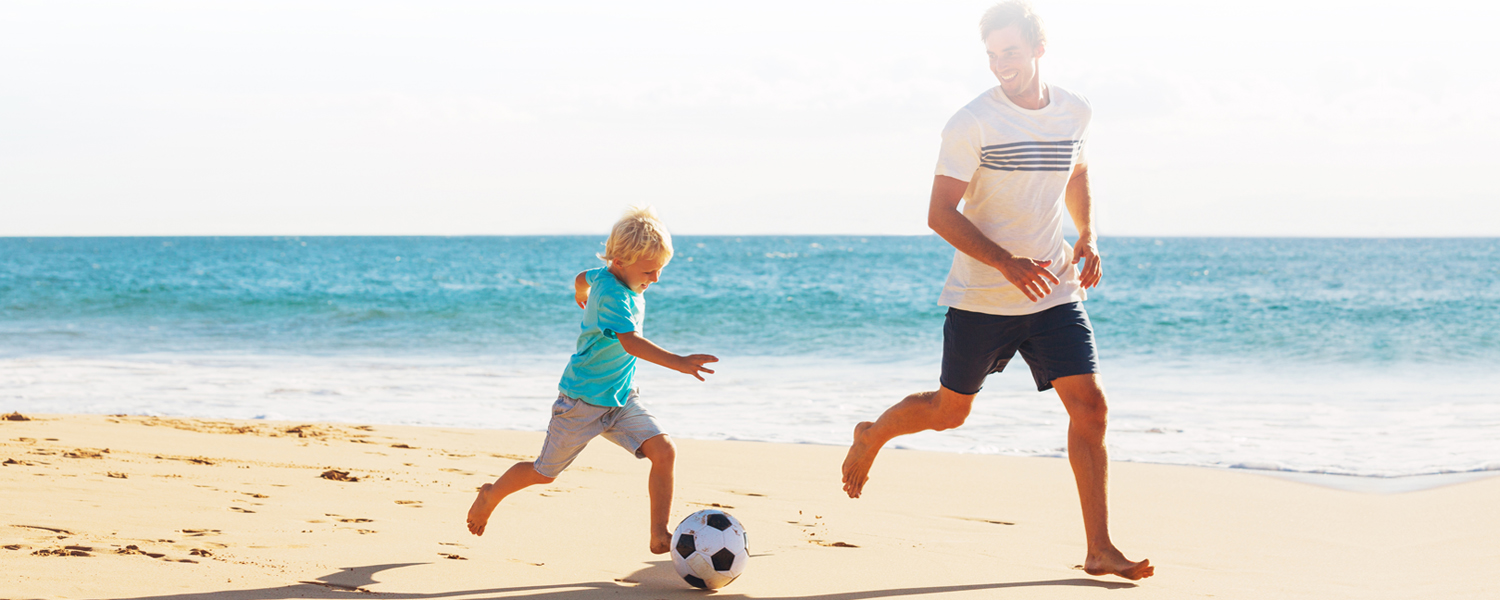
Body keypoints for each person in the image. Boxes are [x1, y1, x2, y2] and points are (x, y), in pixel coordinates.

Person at [839, 1, 1153, 580]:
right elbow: (938, 212)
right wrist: (1006, 263)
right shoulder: (972, 122)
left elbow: (1077, 172)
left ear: (1038, 48)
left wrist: (1087, 233)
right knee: (947, 413)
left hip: (1054, 291)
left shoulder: (1075, 111)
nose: (999, 64)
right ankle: (872, 433)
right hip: (984, 296)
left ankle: (1099, 548)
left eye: (1009, 52)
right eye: (991, 54)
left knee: (1092, 407)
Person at [466, 206, 718, 555]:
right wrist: (678, 362)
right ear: (619, 261)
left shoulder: (607, 276)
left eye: (660, 270)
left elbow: (583, 277)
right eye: (649, 271)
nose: (656, 279)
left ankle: (659, 533)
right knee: (544, 473)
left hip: (620, 397)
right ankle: (491, 494)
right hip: (581, 403)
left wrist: (579, 293)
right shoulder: (614, 295)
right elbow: (629, 342)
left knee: (664, 452)